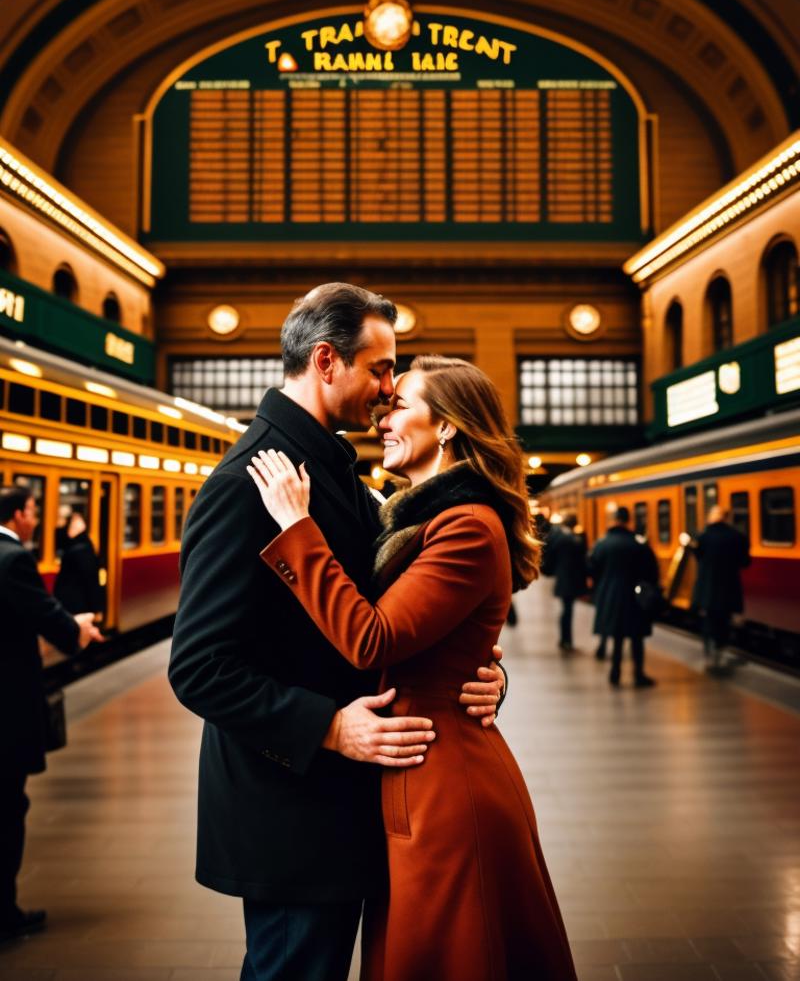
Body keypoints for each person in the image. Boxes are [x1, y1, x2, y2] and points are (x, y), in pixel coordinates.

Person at [168, 284, 504, 981]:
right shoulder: (247, 483)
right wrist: (329, 727)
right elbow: (198, 666)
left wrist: (474, 666)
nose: (389, 388)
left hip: (344, 806)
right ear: (326, 361)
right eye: (381, 369)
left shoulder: (338, 475)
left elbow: (399, 614)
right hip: (293, 813)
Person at [248, 356, 578, 981]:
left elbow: (372, 639)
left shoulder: (468, 526)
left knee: (450, 954)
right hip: (419, 771)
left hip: (446, 786)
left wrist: (297, 527)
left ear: (448, 426)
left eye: (399, 405)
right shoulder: (415, 519)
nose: (383, 419)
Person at [0, 486, 104, 945]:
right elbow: (41, 612)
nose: (37, 519)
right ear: (19, 514)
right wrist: (75, 630)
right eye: (34, 510)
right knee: (7, 807)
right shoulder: (12, 558)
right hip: (5, 712)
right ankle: (4, 911)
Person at [589, 505, 660, 688]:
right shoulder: (638, 544)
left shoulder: (602, 543)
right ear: (628, 521)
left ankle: (615, 673)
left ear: (614, 520)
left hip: (610, 595)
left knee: (617, 636)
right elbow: (652, 572)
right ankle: (638, 675)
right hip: (634, 596)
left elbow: (591, 569)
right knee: (637, 637)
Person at [690, 505, 750, 673]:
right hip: (728, 587)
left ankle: (710, 654)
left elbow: (698, 557)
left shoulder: (703, 537)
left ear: (712, 517)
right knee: (724, 620)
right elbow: (745, 562)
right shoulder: (737, 537)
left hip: (708, 588)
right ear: (726, 518)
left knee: (709, 620)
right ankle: (721, 651)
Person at [541, 512, 587, 651]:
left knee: (567, 609)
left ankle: (565, 639)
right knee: (568, 609)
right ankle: (566, 639)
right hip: (569, 579)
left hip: (562, 577)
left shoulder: (558, 537)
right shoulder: (572, 539)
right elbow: (581, 560)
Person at [53, 511, 103, 619]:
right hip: (74, 604)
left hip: (76, 605)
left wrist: (96, 608)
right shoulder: (80, 546)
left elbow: (91, 581)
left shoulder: (80, 549)